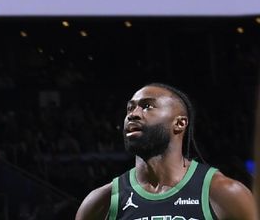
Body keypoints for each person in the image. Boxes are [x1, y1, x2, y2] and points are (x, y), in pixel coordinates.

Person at [76, 83, 257, 220]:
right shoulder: (102, 202)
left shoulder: (225, 193)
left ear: (179, 123)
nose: (133, 114)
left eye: (147, 106)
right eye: (130, 108)